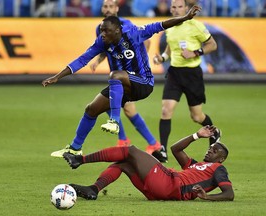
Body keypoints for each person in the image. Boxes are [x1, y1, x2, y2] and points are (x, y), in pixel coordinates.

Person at [42, 5, 201, 158]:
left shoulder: (133, 33)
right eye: (102, 30)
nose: (103, 34)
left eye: (107, 31)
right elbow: (82, 60)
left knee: (115, 75)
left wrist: (186, 18)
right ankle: (75, 148)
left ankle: (115, 121)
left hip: (143, 83)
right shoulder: (101, 41)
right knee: (91, 109)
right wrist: (57, 76)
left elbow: (161, 25)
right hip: (122, 85)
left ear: (117, 31)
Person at [63, 125, 234, 201]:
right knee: (123, 163)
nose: (211, 150)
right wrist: (196, 136)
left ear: (221, 159)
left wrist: (207, 197)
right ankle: (94, 189)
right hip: (162, 191)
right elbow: (175, 149)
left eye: (215, 150)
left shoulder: (218, 168)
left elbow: (229, 194)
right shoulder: (194, 166)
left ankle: (80, 159)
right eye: (211, 147)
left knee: (130, 150)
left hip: (171, 184)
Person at [152, 0, 220, 163]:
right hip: (175, 73)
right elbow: (170, 46)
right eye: (173, 7)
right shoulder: (169, 27)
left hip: (192, 75)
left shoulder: (195, 25)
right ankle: (162, 150)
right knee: (166, 110)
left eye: (179, 7)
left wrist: (196, 52)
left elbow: (212, 45)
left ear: (186, 8)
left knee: (196, 116)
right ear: (171, 9)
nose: (176, 10)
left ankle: (214, 132)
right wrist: (163, 57)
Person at [90, 0, 161, 154]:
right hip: (116, 74)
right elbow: (106, 48)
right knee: (119, 107)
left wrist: (139, 61)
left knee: (117, 106)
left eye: (110, 6)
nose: (107, 9)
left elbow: (145, 40)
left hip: (128, 76)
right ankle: (150, 143)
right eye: (105, 6)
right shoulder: (100, 28)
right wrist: (98, 60)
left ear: (117, 8)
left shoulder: (126, 24)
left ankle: (135, 141)